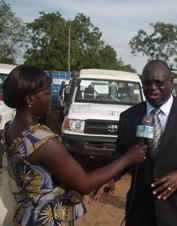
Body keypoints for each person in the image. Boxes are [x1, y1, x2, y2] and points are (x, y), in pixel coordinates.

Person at [0, 65, 148, 225]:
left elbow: (41, 177)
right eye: (47, 94)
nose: (51, 98)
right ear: (30, 99)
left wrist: (69, 188)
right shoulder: (42, 141)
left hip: (26, 216)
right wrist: (128, 158)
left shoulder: (10, 131)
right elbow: (85, 183)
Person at [89, 60, 177, 226]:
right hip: (141, 211)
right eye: (147, 83)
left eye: (159, 83)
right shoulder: (129, 117)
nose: (152, 87)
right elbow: (120, 157)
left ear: (171, 82)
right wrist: (110, 176)